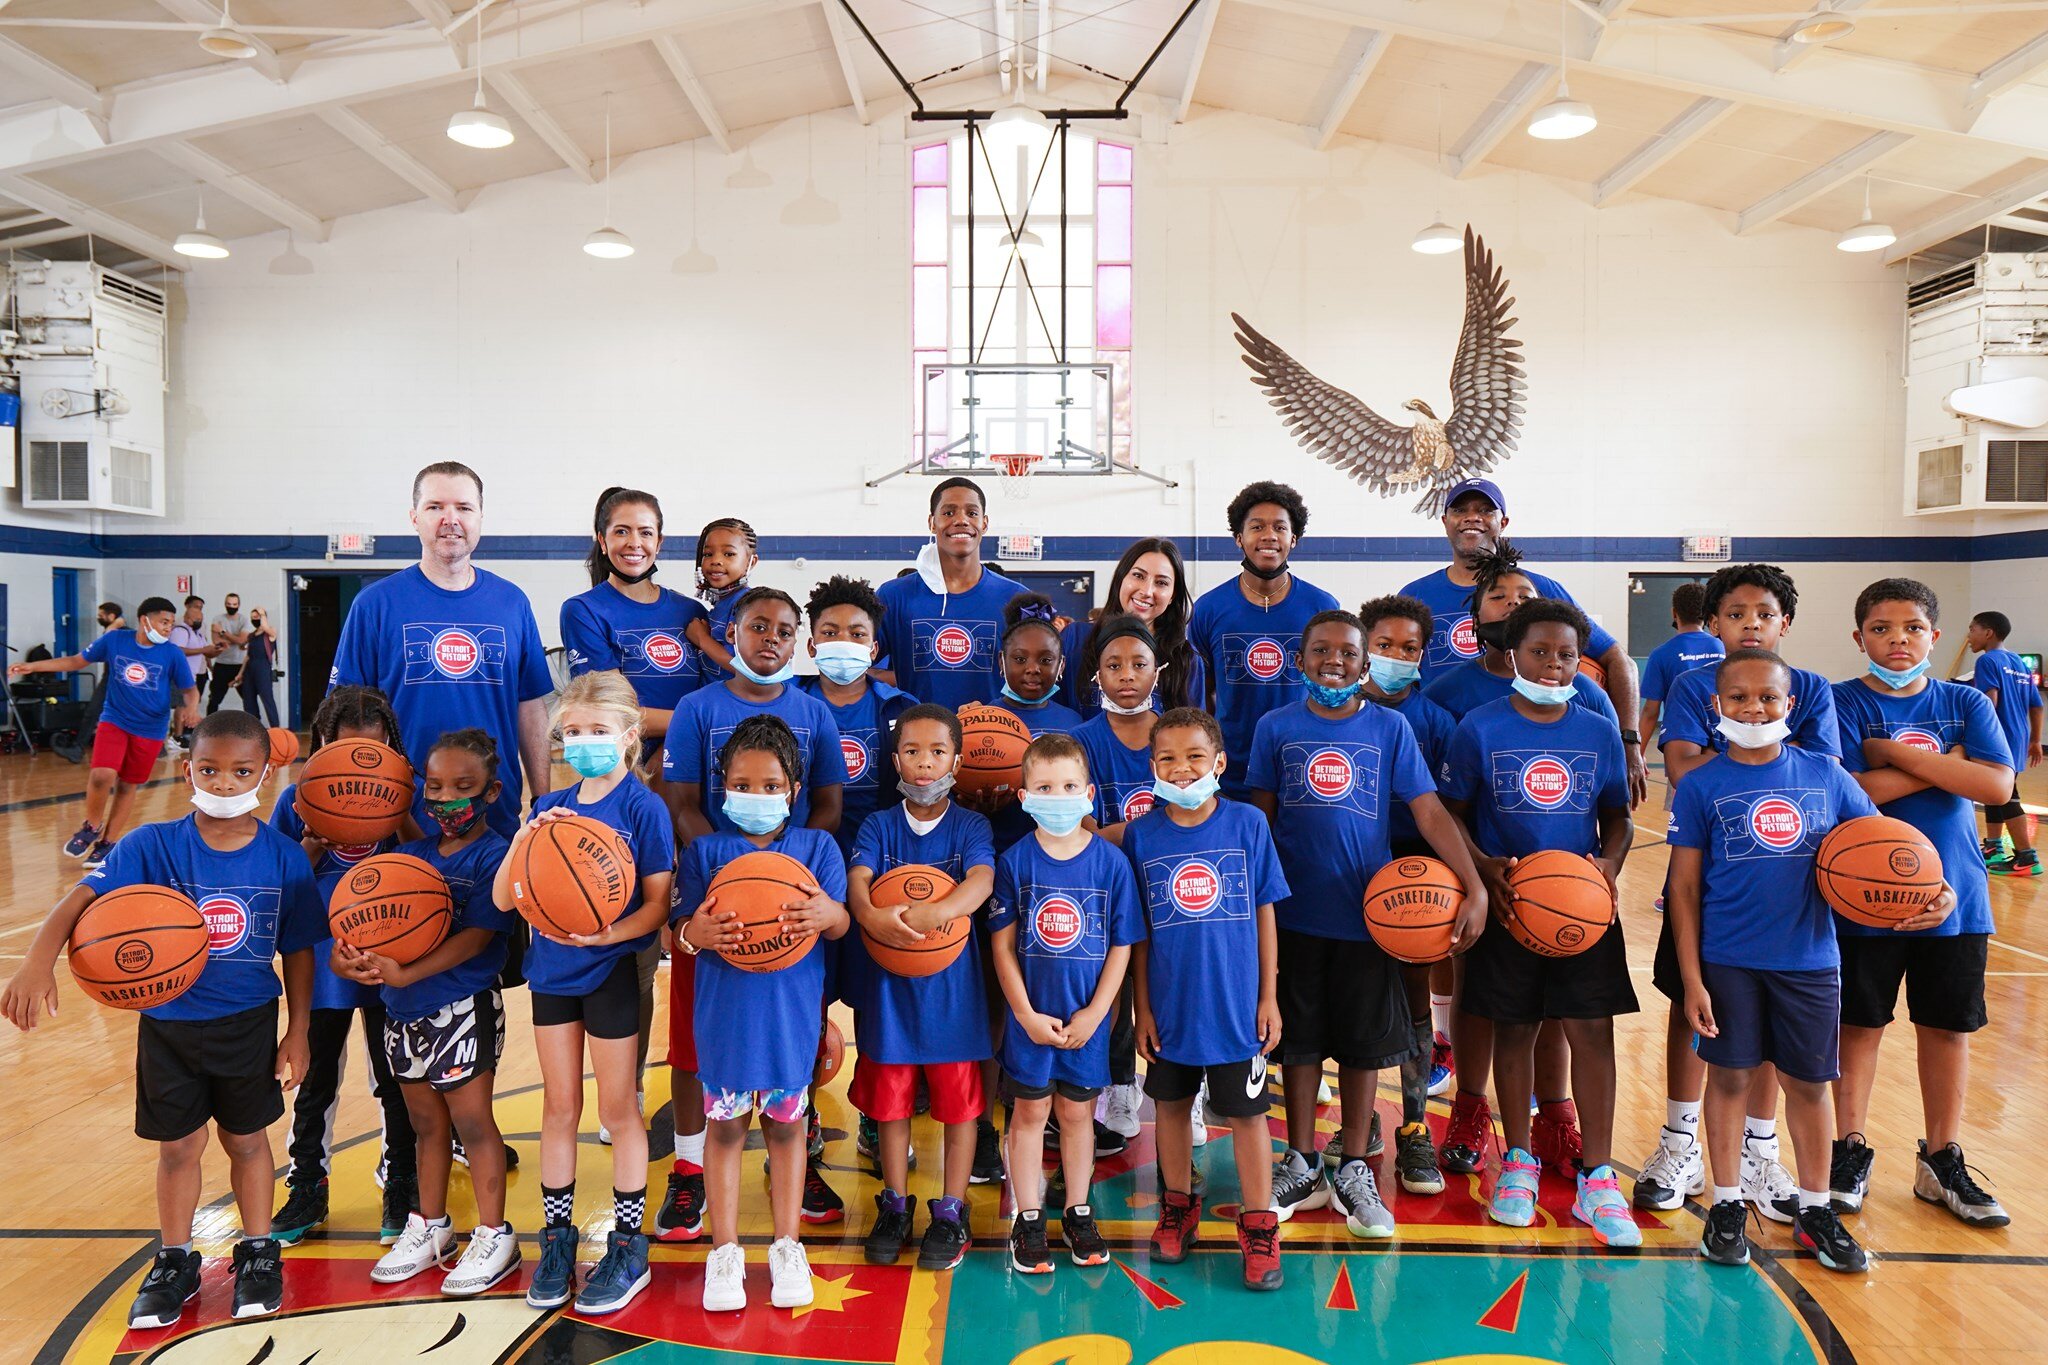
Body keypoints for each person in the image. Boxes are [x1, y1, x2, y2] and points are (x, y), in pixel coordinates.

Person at [2, 710, 322, 1325]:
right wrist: (37, 961)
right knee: (178, 1148)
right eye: (210, 770)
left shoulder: (284, 857)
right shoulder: (151, 845)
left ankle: (258, 1252)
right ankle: (176, 1258)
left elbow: (300, 950)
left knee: (248, 1142)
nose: (224, 784)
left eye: (240, 772)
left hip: (249, 1021)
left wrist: (298, 1033)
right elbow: (79, 899)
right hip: (168, 1025)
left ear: (265, 775)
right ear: (186, 771)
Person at [1668, 649, 1950, 1274]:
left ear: (1790, 705)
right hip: (1727, 961)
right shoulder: (1702, 785)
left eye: (1767, 696)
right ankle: (1725, 1203)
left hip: (1811, 961)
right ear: (1717, 707)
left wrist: (1939, 890)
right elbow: (1683, 889)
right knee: (1731, 1079)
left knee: (1808, 1084)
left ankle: (1816, 1209)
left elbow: (1890, 849)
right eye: (1738, 697)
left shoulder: (1826, 775)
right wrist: (1691, 977)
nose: (1754, 707)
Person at [1246, 610, 1487, 1236]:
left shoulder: (1390, 729)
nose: (1335, 660)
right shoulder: (1276, 728)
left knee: (1359, 1050)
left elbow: (1430, 813)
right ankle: (1300, 1159)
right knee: (1296, 1046)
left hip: (1370, 920)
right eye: (1320, 649)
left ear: (1364, 664)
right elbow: (1259, 823)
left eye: (1348, 653)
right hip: (1294, 914)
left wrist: (1474, 884)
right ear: (1300, 661)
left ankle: (1352, 1164)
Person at [1635, 563, 1835, 1218]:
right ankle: (1679, 1138)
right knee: (1688, 1002)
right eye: (1736, 613)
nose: (1751, 623)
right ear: (1712, 623)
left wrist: (1746, 771)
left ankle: (1758, 1147)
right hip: (1707, 869)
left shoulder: (1809, 688)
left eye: (1765, 613)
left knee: (1770, 1021)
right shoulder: (1696, 684)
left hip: (1791, 878)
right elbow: (1683, 765)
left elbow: (1825, 775)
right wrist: (1768, 770)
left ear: (1786, 623)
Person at [1440, 599, 1639, 1246]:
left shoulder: (1597, 728)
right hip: (1511, 905)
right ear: (1511, 654)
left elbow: (1619, 816)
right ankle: (1519, 1160)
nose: (1553, 665)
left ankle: (1599, 1175)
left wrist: (1607, 865)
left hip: (1581, 906)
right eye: (1539, 652)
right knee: (1515, 1029)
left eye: (1565, 654)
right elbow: (1452, 814)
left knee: (1591, 1031)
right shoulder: (1479, 726)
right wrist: (1484, 868)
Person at [1830, 578, 2014, 1228]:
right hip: (1864, 892)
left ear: (1936, 636)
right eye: (1881, 628)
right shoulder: (1839, 700)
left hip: (1956, 896)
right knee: (1859, 1025)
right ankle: (1847, 1148)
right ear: (1860, 639)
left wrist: (1893, 755)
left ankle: (1941, 1158)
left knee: (1946, 1027)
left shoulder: (1964, 699)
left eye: (1912, 627)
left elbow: (1995, 782)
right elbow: (1848, 791)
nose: (1898, 639)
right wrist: (1944, 764)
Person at [500, 671, 677, 1315]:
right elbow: (504, 899)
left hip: (608, 974)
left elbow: (657, 906)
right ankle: (557, 1240)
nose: (583, 742)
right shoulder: (550, 810)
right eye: (572, 732)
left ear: (629, 737)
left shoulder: (643, 809)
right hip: (551, 975)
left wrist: (605, 938)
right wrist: (522, 842)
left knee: (618, 1111)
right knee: (557, 1106)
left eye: (598, 731)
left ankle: (629, 1244)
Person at [674, 715, 850, 1313]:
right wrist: (693, 932)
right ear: (723, 787)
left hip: (789, 1018)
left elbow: (842, 923)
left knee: (787, 1128)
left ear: (794, 790)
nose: (756, 795)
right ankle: (723, 1252)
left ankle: (785, 1245)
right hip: (725, 1018)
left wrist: (829, 915)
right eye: (743, 784)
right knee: (724, 1130)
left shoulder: (818, 848)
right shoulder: (705, 852)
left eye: (770, 785)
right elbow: (684, 934)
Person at [340, 730, 520, 1296]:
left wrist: (406, 973)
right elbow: (362, 920)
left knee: (472, 1123)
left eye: (462, 788)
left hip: (463, 1006)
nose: (445, 799)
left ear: (491, 793)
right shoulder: (409, 857)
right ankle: (431, 1224)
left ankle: (494, 1235)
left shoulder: (497, 854)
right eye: (435, 787)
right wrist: (349, 960)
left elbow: (474, 939)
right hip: (402, 1009)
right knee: (424, 1124)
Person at [1123, 708, 1289, 1291]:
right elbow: (1138, 933)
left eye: (1195, 756)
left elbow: (1266, 914)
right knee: (1169, 1108)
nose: (1182, 768)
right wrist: (1143, 1008)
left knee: (1247, 1116)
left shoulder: (1247, 824)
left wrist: (1269, 996)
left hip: (1238, 1007)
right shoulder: (1143, 834)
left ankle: (1260, 1223)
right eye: (1167, 757)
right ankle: (1177, 1205)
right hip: (1170, 1007)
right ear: (1152, 767)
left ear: (1219, 762)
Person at [560, 487, 703, 1140]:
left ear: (661, 540)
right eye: (622, 531)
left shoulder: (689, 611)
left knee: (700, 944)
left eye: (646, 531)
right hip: (632, 796)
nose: (635, 542)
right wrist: (705, 721)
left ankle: (708, 1081)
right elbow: (614, 705)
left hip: (700, 799)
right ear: (601, 538)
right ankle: (628, 1091)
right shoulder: (584, 609)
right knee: (639, 951)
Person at [847, 704, 997, 1271]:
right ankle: (895, 1202)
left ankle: (951, 1209)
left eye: (937, 752)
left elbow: (982, 879)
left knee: (958, 1107)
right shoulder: (879, 825)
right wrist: (868, 915)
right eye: (913, 751)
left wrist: (941, 912)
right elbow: (859, 882)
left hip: (953, 992)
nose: (926, 763)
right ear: (896, 760)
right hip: (890, 989)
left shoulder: (971, 826)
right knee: (890, 1103)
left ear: (956, 760)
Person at [330, 462, 553, 838]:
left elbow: (530, 708)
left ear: (481, 517)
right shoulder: (374, 605)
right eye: (435, 507)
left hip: (494, 813)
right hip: (400, 816)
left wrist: (543, 798)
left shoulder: (512, 602)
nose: (450, 519)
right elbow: (345, 715)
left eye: (464, 508)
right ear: (414, 517)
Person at [269, 686, 419, 1248]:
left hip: (390, 952)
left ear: (392, 748)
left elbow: (429, 865)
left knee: (396, 1076)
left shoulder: (410, 793)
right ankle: (308, 1180)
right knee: (317, 1079)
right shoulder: (299, 799)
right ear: (323, 744)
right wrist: (313, 845)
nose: (365, 764)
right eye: (345, 748)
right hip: (323, 957)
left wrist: (398, 812)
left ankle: (399, 1180)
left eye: (376, 751)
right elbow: (280, 884)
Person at [990, 731, 1143, 1273]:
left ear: (1088, 793)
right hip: (1030, 1019)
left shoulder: (1111, 865)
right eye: (1045, 786)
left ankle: (1079, 1210)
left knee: (1078, 1117)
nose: (1058, 795)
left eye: (1069, 785)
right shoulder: (1013, 862)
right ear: (1025, 796)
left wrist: (1098, 1012)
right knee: (1029, 1113)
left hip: (1087, 1021)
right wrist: (1025, 1015)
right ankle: (1027, 1216)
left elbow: (1123, 945)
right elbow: (1002, 947)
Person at [1400, 479, 1645, 800]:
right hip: (1448, 758)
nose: (1472, 517)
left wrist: (1629, 740)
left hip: (1534, 754)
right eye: (1460, 509)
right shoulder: (1415, 596)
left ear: (1503, 523)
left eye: (1485, 510)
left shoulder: (1542, 589)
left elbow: (1618, 659)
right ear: (1445, 520)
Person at [1358, 594, 1461, 1164]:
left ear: (1424, 655)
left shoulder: (1436, 722)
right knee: (1362, 1000)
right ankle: (1364, 1115)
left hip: (1418, 876)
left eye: (1409, 648)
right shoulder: (1333, 713)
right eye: (1385, 645)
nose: (1397, 655)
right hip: (1355, 869)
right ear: (1364, 647)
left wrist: (1462, 878)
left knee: (1414, 997)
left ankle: (1415, 1124)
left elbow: (1444, 811)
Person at [10, 594, 198, 865]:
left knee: (127, 785)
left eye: (172, 623)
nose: (169, 628)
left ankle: (107, 842)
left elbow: (189, 690)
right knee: (101, 775)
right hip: (115, 719)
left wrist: (192, 708)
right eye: (164, 622)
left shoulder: (172, 653)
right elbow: (76, 661)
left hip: (150, 728)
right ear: (145, 620)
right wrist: (32, 667)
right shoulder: (115, 641)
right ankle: (91, 826)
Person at [1188, 481, 1341, 802]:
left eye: (1279, 528)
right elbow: (1201, 691)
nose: (1269, 535)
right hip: (1230, 769)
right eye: (1257, 527)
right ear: (1239, 539)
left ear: (1293, 539)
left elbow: (1334, 690)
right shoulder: (1209, 608)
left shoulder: (1322, 606)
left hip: (1302, 763)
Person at [663, 587, 845, 841]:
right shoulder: (695, 708)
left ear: (793, 648)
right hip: (716, 868)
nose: (772, 638)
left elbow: (829, 806)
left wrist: (798, 853)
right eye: (759, 628)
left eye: (784, 633)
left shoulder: (815, 712)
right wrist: (717, 857)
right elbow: (682, 806)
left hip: (793, 867)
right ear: (731, 633)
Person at [1422, 542, 1617, 724]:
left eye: (1525, 597)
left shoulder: (1584, 691)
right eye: (1498, 596)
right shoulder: (1446, 693)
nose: (1514, 602)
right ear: (1475, 621)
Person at [873, 477, 1025, 708]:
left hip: (994, 737)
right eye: (949, 512)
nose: (961, 520)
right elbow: (860, 664)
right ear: (932, 522)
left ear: (984, 523)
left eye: (972, 513)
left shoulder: (1016, 598)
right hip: (919, 739)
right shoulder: (893, 596)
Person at [799, 575, 919, 860]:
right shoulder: (789, 703)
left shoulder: (903, 708)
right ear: (811, 646)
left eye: (857, 634)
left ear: (874, 649)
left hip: (884, 856)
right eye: (829, 633)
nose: (843, 641)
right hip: (806, 853)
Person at [1063, 538, 1205, 713]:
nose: (1146, 591)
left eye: (1161, 583)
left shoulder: (1184, 659)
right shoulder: (1076, 639)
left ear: (1173, 596)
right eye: (1138, 576)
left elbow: (1193, 730)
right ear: (1121, 578)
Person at [1074, 616, 1165, 844]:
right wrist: (1156, 830)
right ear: (1099, 676)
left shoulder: (1176, 737)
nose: (1127, 675)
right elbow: (1088, 834)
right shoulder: (1079, 741)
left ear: (1156, 673)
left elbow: (1183, 825)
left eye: (1139, 665)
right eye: (1114, 666)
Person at [1965, 610, 2042, 875]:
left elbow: (1989, 702)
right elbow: (2037, 704)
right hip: (2019, 737)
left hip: (1998, 739)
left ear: (1988, 633)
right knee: (1994, 794)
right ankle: (1994, 846)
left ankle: (2026, 857)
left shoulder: (1988, 661)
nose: (1968, 636)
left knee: (2007, 796)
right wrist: (2035, 740)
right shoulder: (2019, 662)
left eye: (1972, 630)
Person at [1639, 583, 1723, 750]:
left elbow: (1650, 711)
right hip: (1722, 736)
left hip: (1682, 738)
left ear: (1674, 613)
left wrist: (1638, 753)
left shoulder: (1661, 654)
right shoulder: (1724, 647)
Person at [684, 517, 757, 686]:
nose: (716, 560)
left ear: (751, 562)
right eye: (708, 554)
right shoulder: (720, 605)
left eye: (729, 554)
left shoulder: (749, 604)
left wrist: (702, 638)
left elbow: (745, 669)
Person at [165, 595, 217, 751]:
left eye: (201, 618)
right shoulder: (181, 630)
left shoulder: (198, 633)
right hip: (179, 674)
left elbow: (206, 652)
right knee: (181, 706)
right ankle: (177, 737)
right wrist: (202, 650)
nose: (198, 621)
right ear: (187, 618)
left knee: (189, 705)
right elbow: (177, 650)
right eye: (195, 618)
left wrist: (217, 650)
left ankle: (182, 735)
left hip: (192, 674)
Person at [232, 606, 280, 728]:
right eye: (253, 617)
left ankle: (276, 728)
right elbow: (247, 656)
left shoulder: (270, 632)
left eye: (257, 617)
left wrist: (262, 613)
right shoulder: (251, 636)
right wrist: (240, 673)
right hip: (250, 669)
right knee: (248, 700)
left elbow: (264, 627)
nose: (255, 619)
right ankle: (253, 728)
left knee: (267, 699)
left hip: (263, 668)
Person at [207, 592, 249, 715]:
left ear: (239, 605)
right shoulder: (218, 619)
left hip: (240, 666)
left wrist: (223, 632)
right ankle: (209, 728)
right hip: (222, 664)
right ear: (225, 604)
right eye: (229, 604)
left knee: (248, 699)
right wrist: (236, 640)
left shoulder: (244, 619)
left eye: (234, 604)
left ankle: (253, 728)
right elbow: (217, 642)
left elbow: (242, 640)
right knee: (214, 699)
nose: (231, 606)